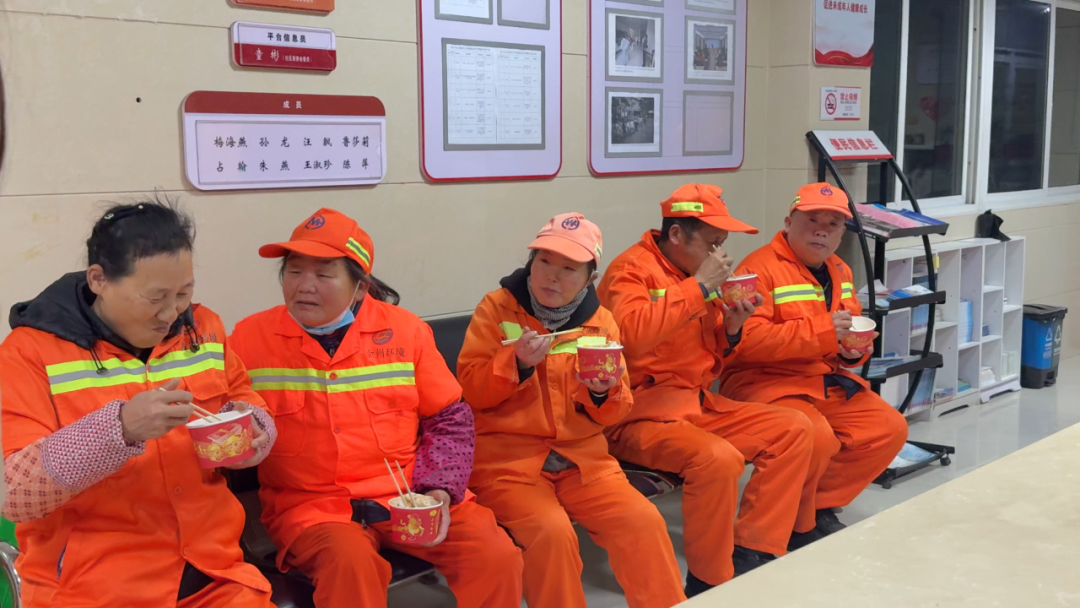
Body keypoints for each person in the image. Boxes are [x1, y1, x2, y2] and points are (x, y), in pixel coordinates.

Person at [230, 208, 523, 608]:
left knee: (495, 555)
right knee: (350, 566)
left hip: (409, 497)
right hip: (313, 507)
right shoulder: (249, 338)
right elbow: (228, 412)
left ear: (360, 287)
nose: (304, 286)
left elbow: (449, 418)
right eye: (294, 271)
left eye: (323, 274)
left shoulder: (406, 332)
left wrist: (439, 489)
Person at [0, 200, 277, 607]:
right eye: (155, 297)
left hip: (215, 573)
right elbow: (15, 495)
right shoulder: (29, 352)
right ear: (98, 279)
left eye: (183, 293)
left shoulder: (203, 329)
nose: (171, 313)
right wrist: (121, 429)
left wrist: (255, 429)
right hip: (93, 587)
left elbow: (244, 398)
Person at [458, 213, 686, 608]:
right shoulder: (496, 308)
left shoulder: (601, 322)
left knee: (643, 521)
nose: (552, 276)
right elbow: (469, 391)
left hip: (584, 462)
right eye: (544, 261)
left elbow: (614, 412)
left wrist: (602, 393)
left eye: (568, 269)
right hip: (509, 465)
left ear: (589, 278)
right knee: (551, 533)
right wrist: (516, 365)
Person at [597, 184, 813, 597]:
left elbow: (710, 355)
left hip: (695, 403)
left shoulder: (698, 276)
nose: (720, 256)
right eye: (713, 244)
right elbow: (630, 337)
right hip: (637, 415)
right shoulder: (631, 270)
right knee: (717, 459)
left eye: (722, 245)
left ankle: (754, 549)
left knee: (794, 429)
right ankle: (709, 581)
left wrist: (731, 328)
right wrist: (698, 287)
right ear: (677, 234)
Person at [721, 183, 908, 547]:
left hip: (822, 379)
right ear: (788, 223)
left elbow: (845, 336)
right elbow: (745, 343)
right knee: (816, 436)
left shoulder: (840, 270)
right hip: (762, 381)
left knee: (888, 428)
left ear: (841, 234)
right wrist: (823, 332)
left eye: (832, 224)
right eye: (812, 220)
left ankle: (814, 509)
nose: (821, 231)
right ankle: (765, 538)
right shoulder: (757, 269)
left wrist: (853, 353)